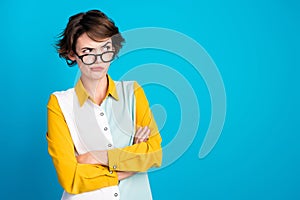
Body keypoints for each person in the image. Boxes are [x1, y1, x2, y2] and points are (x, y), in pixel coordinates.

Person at [46, 10, 162, 200]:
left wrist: (95, 157)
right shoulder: (60, 104)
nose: (98, 60)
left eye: (105, 49)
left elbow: (154, 154)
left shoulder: (133, 92)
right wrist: (129, 164)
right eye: (87, 52)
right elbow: (71, 178)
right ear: (72, 53)